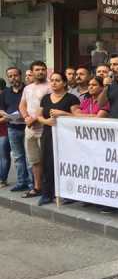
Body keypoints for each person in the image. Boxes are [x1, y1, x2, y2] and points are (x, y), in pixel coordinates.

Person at [36, 71, 80, 206]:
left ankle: (66, 193)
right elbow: (39, 116)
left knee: (65, 165)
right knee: (47, 163)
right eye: (52, 80)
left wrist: (63, 113)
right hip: (48, 135)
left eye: (57, 80)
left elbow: (78, 117)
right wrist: (46, 122)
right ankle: (46, 194)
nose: (54, 83)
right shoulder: (45, 98)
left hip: (67, 138)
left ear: (64, 83)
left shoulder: (71, 98)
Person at [19, 61, 50, 199]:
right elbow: (22, 104)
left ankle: (49, 189)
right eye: (37, 69)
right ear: (31, 71)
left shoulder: (50, 87)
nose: (41, 72)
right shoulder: (28, 88)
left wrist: (33, 119)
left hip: (45, 128)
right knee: (34, 161)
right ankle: (37, 187)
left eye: (43, 69)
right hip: (30, 129)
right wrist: (26, 117)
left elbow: (46, 107)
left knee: (47, 160)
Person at [0, 67, 31, 192]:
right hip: (12, 127)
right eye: (10, 76)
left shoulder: (28, 90)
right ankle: (21, 182)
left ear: (20, 75)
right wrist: (6, 115)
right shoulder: (5, 93)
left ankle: (32, 183)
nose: (13, 78)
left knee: (29, 157)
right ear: (8, 78)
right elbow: (1, 108)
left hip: (27, 126)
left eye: (15, 75)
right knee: (18, 157)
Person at [0, 78, 9, 188]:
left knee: (4, 157)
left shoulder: (4, 97)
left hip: (4, 131)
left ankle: (3, 179)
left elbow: (7, 116)